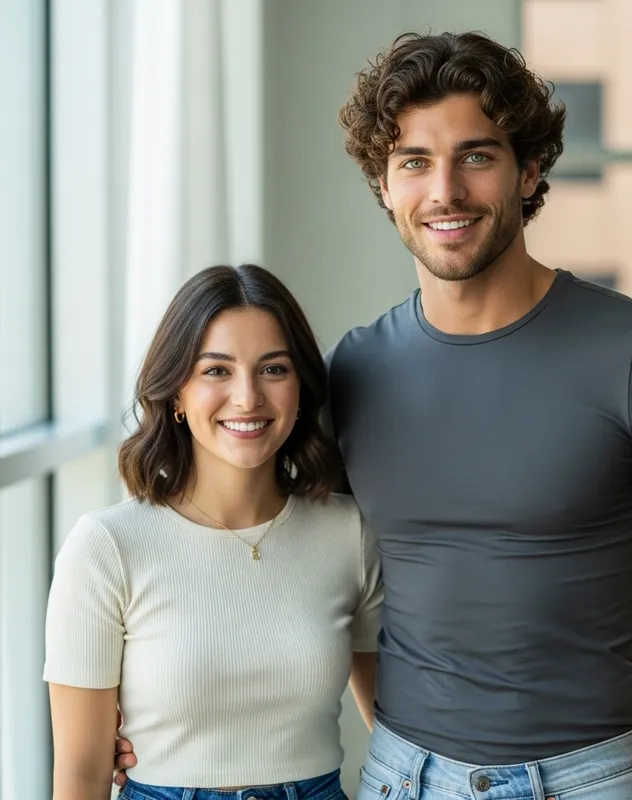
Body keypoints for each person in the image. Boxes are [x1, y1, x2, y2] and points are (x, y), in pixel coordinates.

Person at [116, 30, 632, 800]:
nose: (446, 192)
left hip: (588, 781)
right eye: (414, 163)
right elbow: (273, 556)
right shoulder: (354, 371)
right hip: (402, 777)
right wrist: (152, 717)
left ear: (530, 171)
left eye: (477, 156)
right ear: (385, 187)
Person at [44, 265, 382, 800]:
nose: (247, 398)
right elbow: (81, 777)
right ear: (176, 393)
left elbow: (396, 737)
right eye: (216, 371)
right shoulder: (106, 547)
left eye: (273, 369)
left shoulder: (350, 533)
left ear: (300, 390)